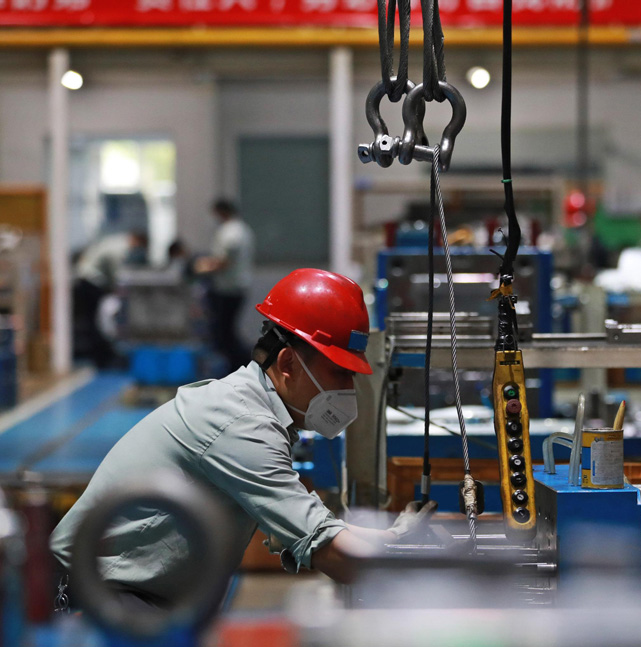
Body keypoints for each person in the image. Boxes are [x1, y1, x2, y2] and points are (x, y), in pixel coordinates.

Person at [50, 269, 437, 609]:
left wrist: (392, 537)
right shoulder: (243, 424)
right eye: (339, 372)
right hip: (95, 595)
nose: (348, 389)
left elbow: (319, 528)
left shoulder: (252, 409)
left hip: (135, 594)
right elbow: (333, 553)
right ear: (287, 363)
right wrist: (436, 570)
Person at [73, 230, 149, 368]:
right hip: (90, 282)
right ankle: (101, 358)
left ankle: (101, 356)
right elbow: (117, 277)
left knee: (94, 322)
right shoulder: (120, 250)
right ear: (137, 241)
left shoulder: (116, 240)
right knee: (96, 323)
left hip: (87, 280)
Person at [195, 199, 255, 371]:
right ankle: (238, 365)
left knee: (224, 333)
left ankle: (242, 365)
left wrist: (201, 267)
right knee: (226, 332)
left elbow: (223, 262)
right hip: (234, 287)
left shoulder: (231, 232)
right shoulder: (243, 229)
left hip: (228, 289)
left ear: (221, 212)